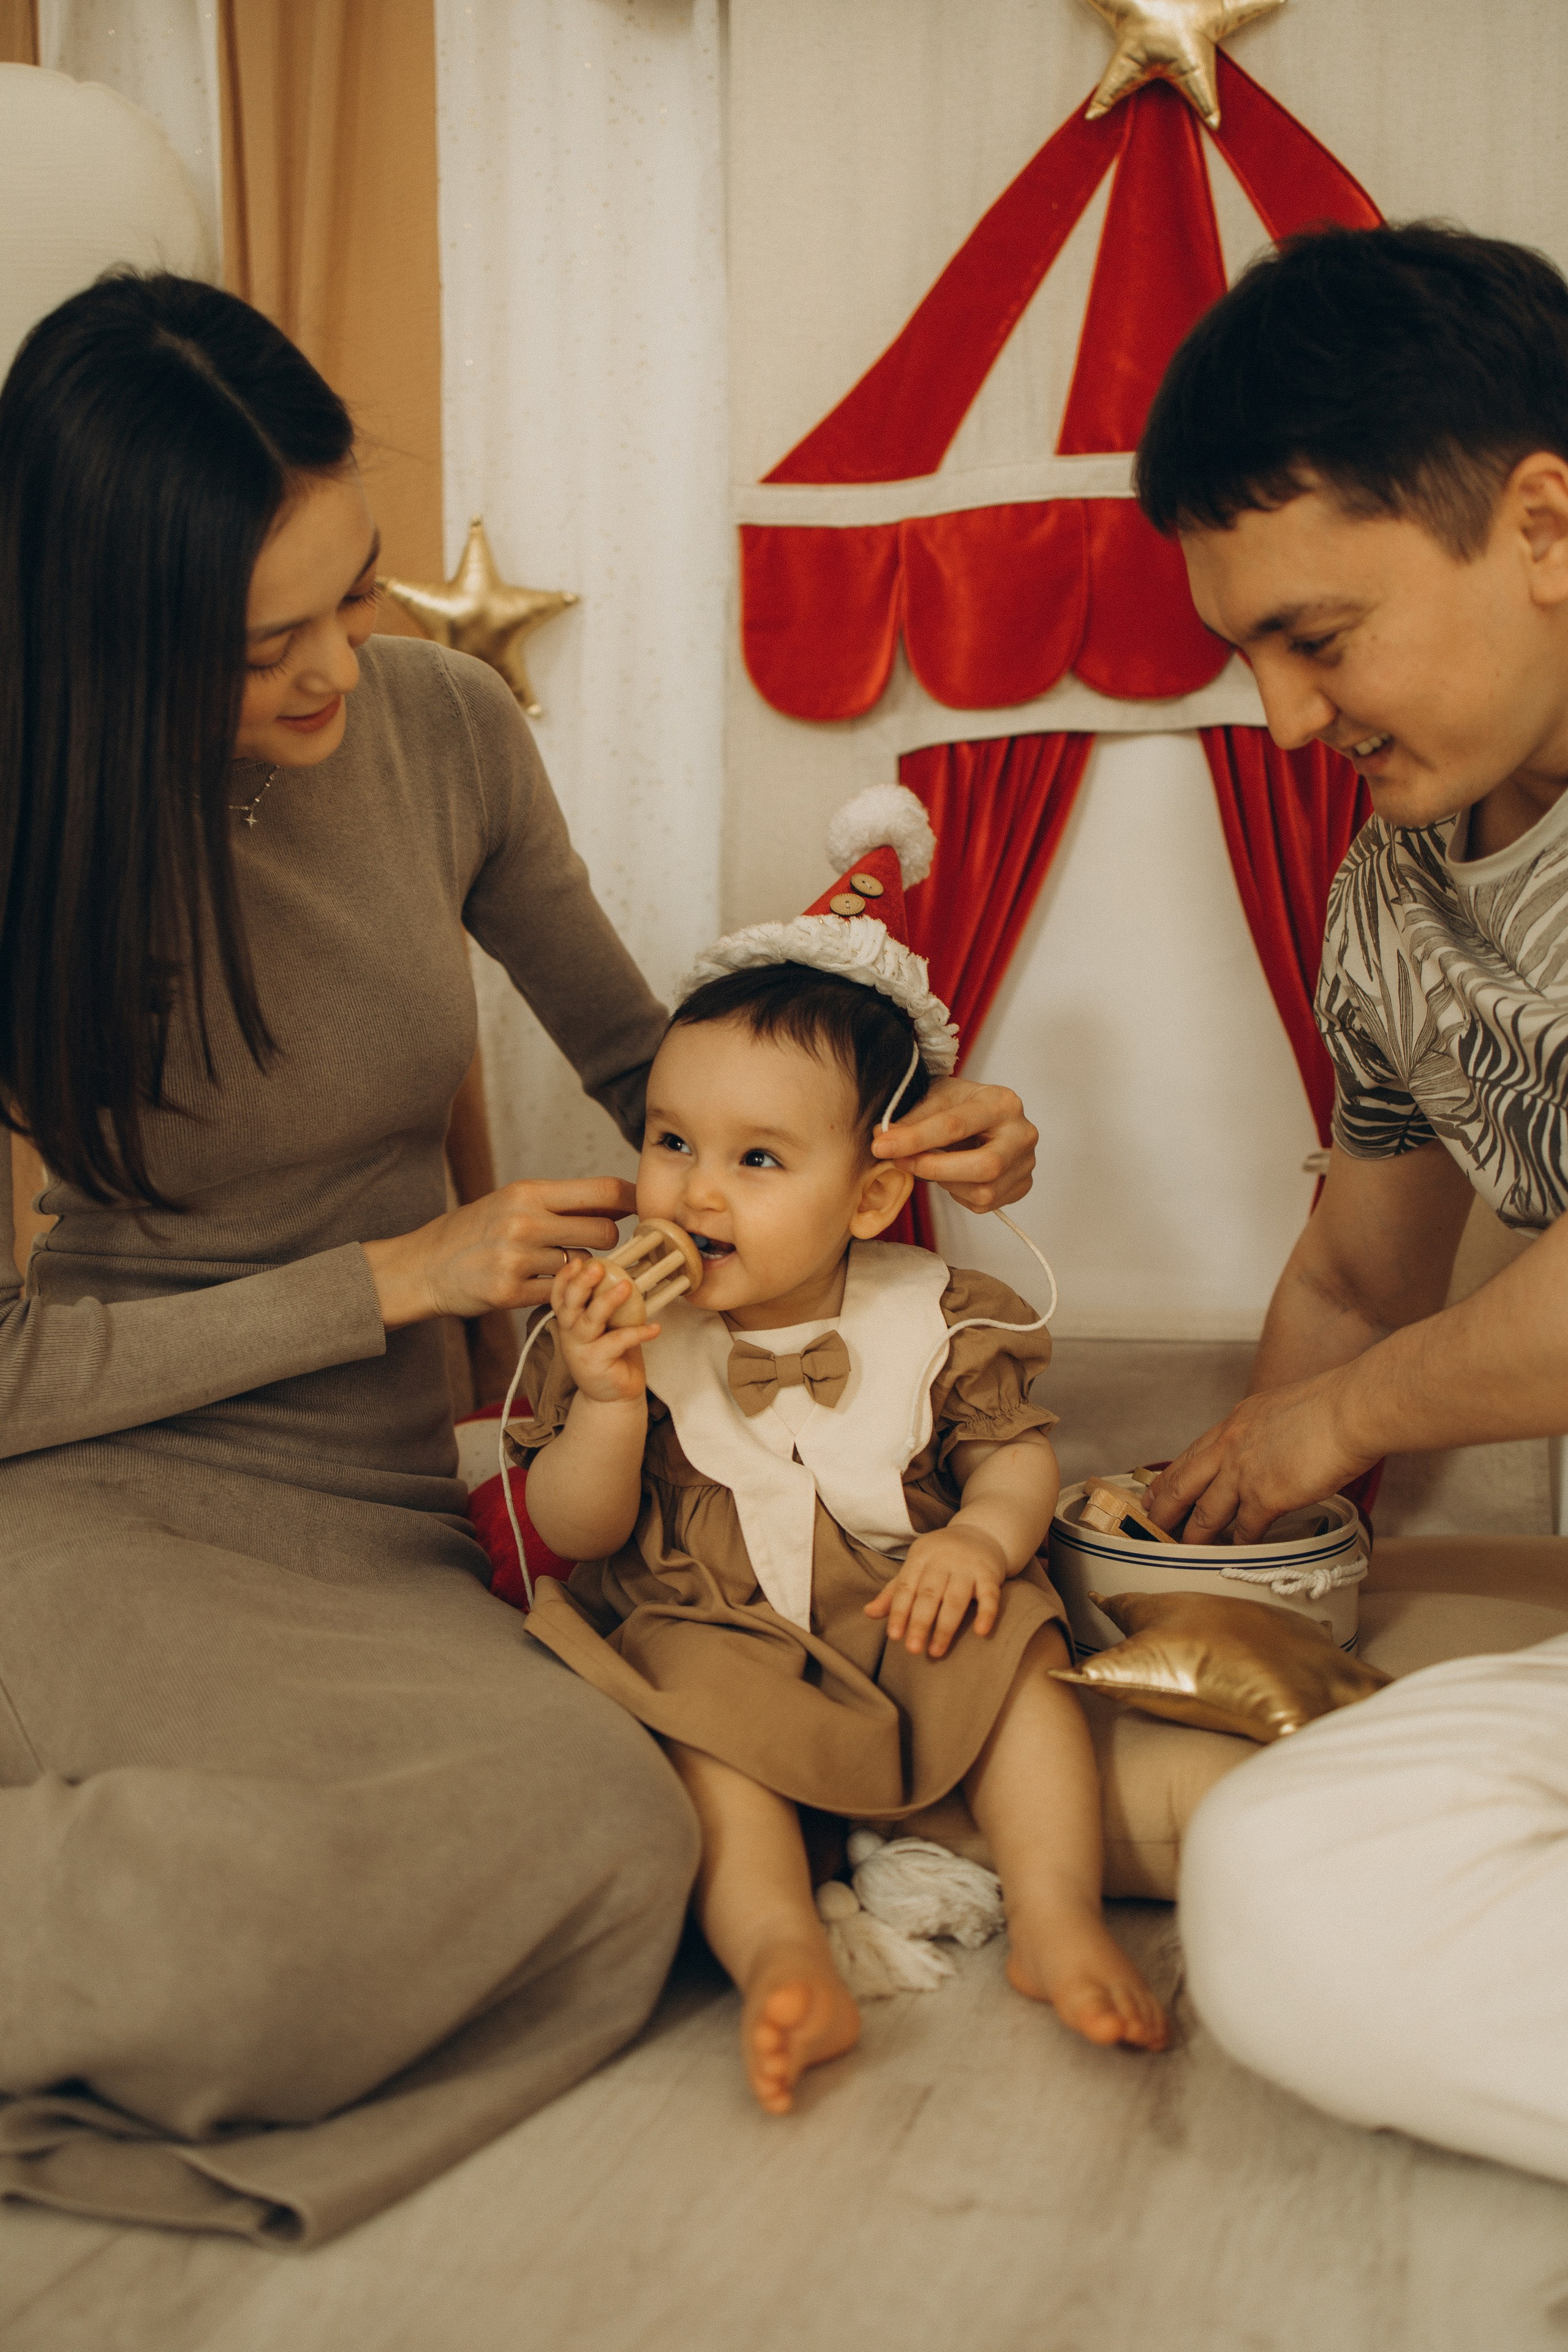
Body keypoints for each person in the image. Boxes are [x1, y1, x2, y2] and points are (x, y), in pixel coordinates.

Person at [0, 272, 1039, 2245]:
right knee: (276, 1933)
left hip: (383, 1502)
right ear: (102, 642)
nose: (332, 671)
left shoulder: (443, 727)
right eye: (255, 648)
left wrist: (899, 1124)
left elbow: (661, 1069)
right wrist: (402, 1277)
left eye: (355, 595)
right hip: (99, 1492)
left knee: (600, 1846)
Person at [1133, 222, 1568, 2182]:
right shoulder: (1390, 899)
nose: (1290, 718)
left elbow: (1368, 1386)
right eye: (1250, 658)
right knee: (1275, 1886)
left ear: (1544, 528)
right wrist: (1217, 1531)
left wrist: (1341, 1422)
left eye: (1320, 637)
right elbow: (1359, 1272)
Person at [516, 829, 1169, 2117]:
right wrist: (600, 1405)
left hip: (903, 1602)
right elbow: (574, 1530)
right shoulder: (614, 1334)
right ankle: (779, 1954)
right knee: (702, 1735)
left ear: (870, 1200)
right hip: (719, 1630)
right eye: (669, 1142)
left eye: (757, 1160)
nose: (695, 1191)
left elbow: (1014, 1462)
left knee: (1021, 1650)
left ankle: (1053, 1913)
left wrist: (977, 1543)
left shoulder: (933, 1311)